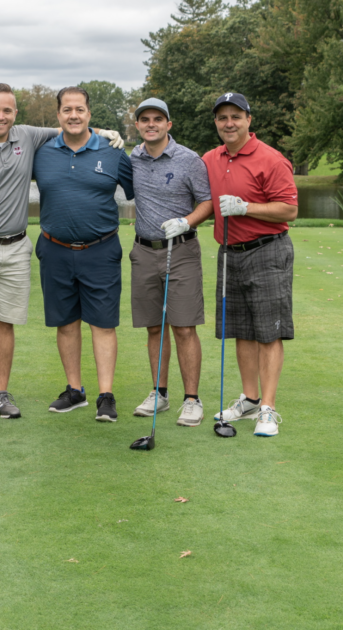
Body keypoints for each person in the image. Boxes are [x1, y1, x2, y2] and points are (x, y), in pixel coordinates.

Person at [0, 83, 127, 424]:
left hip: (30, 246)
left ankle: (3, 395)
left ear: (15, 114)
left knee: (6, 323)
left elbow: (76, 131)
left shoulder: (33, 138)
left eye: (7, 110)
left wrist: (103, 132)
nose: (0, 116)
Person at [33, 86, 135, 422]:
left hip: (101, 250)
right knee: (65, 323)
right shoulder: (43, 152)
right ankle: (74, 390)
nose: (73, 115)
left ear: (89, 113)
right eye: (67, 110)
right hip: (55, 249)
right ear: (58, 115)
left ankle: (106, 395)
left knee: (103, 325)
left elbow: (138, 192)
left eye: (80, 109)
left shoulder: (114, 152)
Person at [202, 92, 298, 437]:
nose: (229, 123)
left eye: (235, 117)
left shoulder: (271, 159)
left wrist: (247, 207)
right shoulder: (210, 159)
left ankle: (269, 408)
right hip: (230, 252)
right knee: (240, 329)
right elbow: (205, 201)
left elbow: (289, 209)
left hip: (267, 249)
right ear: (216, 122)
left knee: (268, 331)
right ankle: (251, 399)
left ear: (248, 120)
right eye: (222, 118)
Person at [127, 98, 214, 427]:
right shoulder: (132, 158)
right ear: (137, 125)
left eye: (158, 119)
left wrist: (187, 221)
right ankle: (159, 393)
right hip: (144, 251)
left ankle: (191, 399)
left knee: (184, 327)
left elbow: (206, 201)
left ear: (168, 125)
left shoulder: (189, 159)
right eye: (145, 119)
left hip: (181, 250)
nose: (151, 124)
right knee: (153, 327)